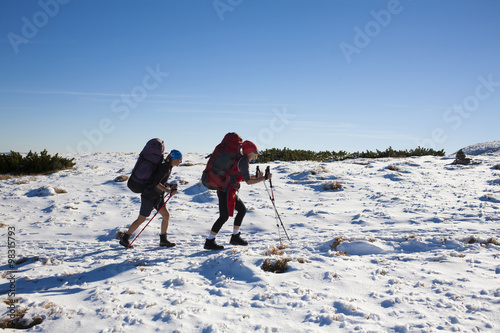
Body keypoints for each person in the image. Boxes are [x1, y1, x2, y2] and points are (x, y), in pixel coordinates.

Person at [204, 141, 271, 250]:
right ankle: (210, 241)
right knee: (224, 216)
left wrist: (256, 177)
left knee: (241, 210)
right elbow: (248, 182)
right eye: (255, 151)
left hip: (228, 190)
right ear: (249, 151)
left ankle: (235, 236)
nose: (257, 154)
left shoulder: (241, 160)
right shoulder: (243, 161)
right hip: (226, 191)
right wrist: (265, 178)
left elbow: (242, 177)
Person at [120, 149, 183, 248]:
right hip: (149, 196)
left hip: (157, 196)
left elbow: (160, 181)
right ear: (174, 159)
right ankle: (125, 238)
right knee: (141, 219)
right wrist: (169, 191)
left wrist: (169, 185)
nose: (181, 162)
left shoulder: (168, 167)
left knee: (166, 215)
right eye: (179, 159)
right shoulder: (165, 167)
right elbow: (156, 183)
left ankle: (163, 240)